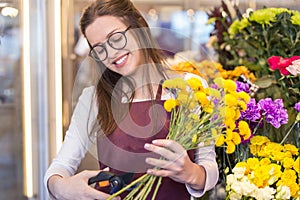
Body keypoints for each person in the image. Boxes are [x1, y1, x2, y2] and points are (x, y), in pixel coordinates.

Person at [44, 0, 218, 199]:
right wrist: (61, 187)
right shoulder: (92, 99)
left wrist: (191, 173)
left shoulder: (190, 88)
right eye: (99, 49)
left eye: (115, 38)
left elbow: (209, 167)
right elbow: (60, 166)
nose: (111, 53)